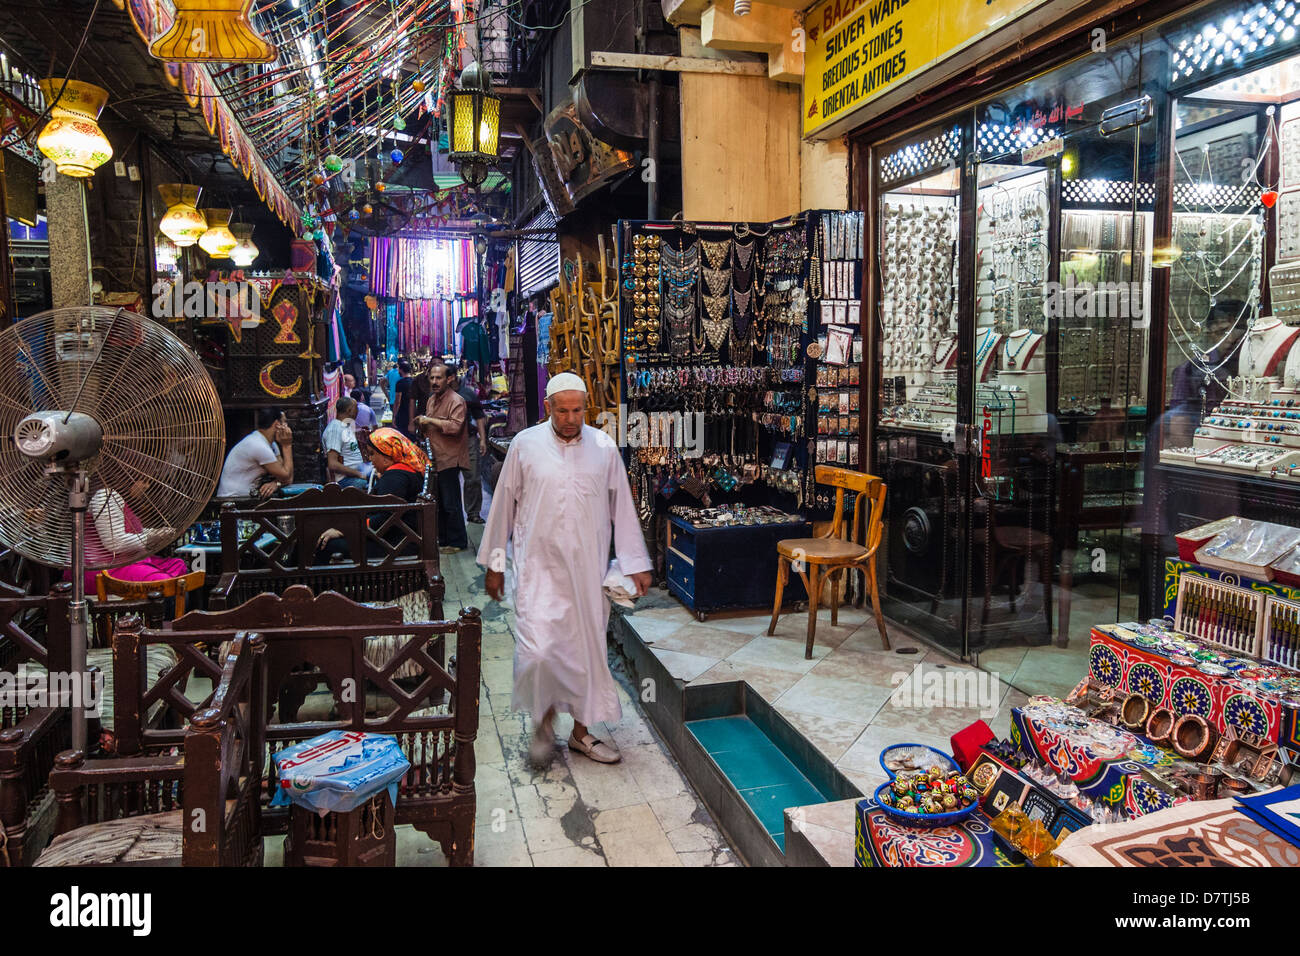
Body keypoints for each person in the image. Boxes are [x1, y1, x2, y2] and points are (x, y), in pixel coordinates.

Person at [478, 372, 652, 768]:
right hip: (537, 573)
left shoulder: (604, 448)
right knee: (539, 653)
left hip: (587, 575)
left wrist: (635, 563)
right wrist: (496, 564)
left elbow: (622, 509)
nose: (571, 418)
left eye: (577, 410)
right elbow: (503, 507)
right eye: (563, 410)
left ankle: (581, 733)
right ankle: (542, 725)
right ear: (548, 408)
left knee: (586, 653)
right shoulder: (524, 446)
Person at [316, 427, 428, 559]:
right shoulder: (404, 471)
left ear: (386, 455)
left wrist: (344, 530)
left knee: (325, 543)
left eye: (372, 454)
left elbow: (384, 520)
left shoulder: (394, 478)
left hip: (394, 545)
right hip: (398, 539)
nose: (370, 459)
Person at [74, 476, 187, 595]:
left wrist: (160, 533)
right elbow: (114, 543)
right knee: (165, 582)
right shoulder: (105, 497)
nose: (147, 486)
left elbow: (133, 532)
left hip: (127, 562)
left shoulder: (119, 499)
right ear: (127, 479)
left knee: (178, 565)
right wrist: (150, 538)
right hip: (103, 569)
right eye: (143, 481)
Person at [415, 360, 469, 553]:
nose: (435, 381)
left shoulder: (456, 401)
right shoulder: (431, 399)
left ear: (449, 379)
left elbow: (455, 427)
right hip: (434, 458)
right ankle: (443, 539)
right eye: (432, 378)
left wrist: (429, 420)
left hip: (449, 458)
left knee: (451, 502)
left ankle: (457, 542)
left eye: (439, 377)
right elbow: (431, 426)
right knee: (438, 502)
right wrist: (423, 426)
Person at [217, 407, 293, 498]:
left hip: (249, 497)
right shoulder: (257, 445)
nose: (287, 426)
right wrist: (287, 446)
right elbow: (285, 476)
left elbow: (287, 478)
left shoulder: (270, 444)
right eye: (284, 422)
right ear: (277, 424)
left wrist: (276, 484)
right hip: (232, 499)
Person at [452, 363, 487, 523]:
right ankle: (451, 516)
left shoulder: (468, 393)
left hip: (468, 440)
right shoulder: (437, 395)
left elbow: (479, 416)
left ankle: (473, 512)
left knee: (472, 478)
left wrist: (483, 440)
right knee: (448, 481)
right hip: (447, 443)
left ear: (451, 377)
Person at [322, 396, 371, 490]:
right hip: (345, 479)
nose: (358, 411)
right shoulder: (335, 430)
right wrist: (359, 474)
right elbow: (332, 464)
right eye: (356, 408)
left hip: (359, 470)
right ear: (349, 410)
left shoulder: (344, 425)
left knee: (382, 472)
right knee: (375, 480)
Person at [392, 359, 416, 437]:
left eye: (399, 369)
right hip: (413, 414)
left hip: (402, 415)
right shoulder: (414, 382)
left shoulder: (400, 383)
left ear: (401, 370)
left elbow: (397, 402)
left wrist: (394, 416)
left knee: (403, 437)